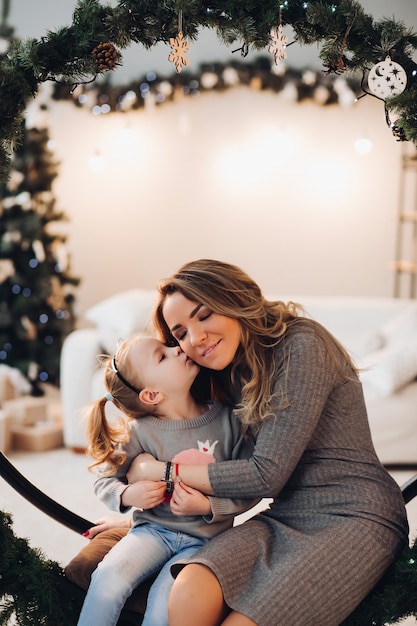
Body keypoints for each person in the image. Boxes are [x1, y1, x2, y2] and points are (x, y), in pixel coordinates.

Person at [123, 258, 409, 626]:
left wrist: (163, 471)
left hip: (356, 515)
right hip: (284, 513)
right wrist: (142, 513)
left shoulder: (301, 344)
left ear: (234, 300)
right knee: (191, 585)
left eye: (205, 315)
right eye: (180, 333)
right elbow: (205, 453)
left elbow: (266, 474)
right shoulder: (223, 368)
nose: (196, 339)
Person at [76, 333, 259, 626]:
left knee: (164, 606)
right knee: (108, 577)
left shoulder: (229, 421)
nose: (177, 349)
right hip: (152, 532)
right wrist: (128, 495)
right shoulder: (140, 432)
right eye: (162, 355)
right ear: (151, 395)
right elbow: (104, 481)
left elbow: (250, 486)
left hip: (205, 544)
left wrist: (209, 505)